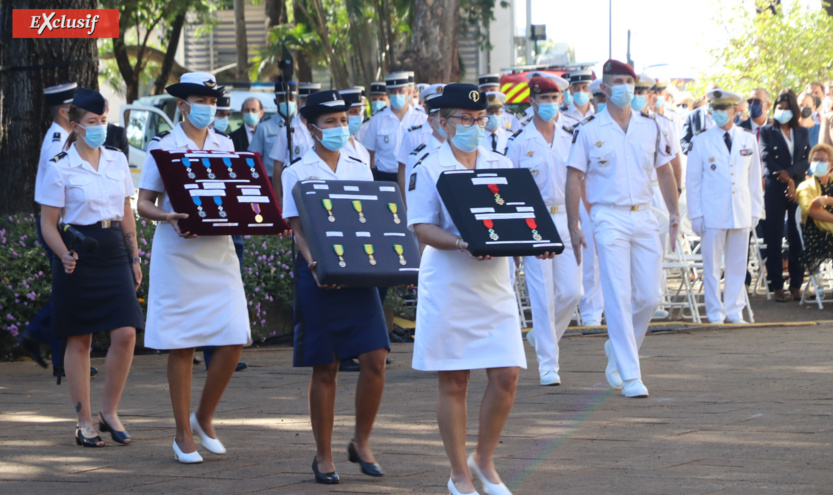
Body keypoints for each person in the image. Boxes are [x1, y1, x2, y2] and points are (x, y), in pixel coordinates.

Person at [408, 83, 554, 495]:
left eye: (480, 119)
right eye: (465, 119)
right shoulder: (428, 166)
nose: (475, 126)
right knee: (454, 380)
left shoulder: (501, 162)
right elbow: (421, 226)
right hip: (451, 280)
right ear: (441, 123)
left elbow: (522, 217)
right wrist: (460, 242)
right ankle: (459, 473)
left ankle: (484, 459)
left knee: (507, 374)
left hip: (493, 283)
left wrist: (535, 243)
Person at [137, 72, 252, 464]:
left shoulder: (226, 142)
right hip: (179, 252)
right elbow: (144, 202)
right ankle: (182, 434)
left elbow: (237, 193)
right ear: (182, 105)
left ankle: (203, 415)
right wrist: (167, 216)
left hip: (218, 251)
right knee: (182, 342)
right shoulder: (165, 146)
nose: (208, 106)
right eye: (200, 100)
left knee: (235, 336)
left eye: (212, 99)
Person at [281, 89, 390, 484]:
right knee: (325, 365)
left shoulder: (360, 163)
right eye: (330, 122)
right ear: (311, 129)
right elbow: (296, 228)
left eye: (343, 120)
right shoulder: (297, 171)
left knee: (375, 358)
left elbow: (373, 216)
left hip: (360, 271)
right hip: (318, 272)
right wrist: (314, 262)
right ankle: (323, 456)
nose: (340, 127)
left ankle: (361, 441)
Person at [566, 59, 680, 399]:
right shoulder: (588, 129)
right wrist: (573, 223)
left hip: (644, 214)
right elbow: (574, 177)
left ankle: (617, 350)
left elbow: (664, 171)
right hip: (607, 216)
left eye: (629, 81)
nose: (624, 88)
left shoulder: (650, 126)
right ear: (603, 87)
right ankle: (630, 375)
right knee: (616, 294)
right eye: (616, 81)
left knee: (649, 295)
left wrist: (674, 212)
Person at [36, 87, 144, 447]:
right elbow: (48, 223)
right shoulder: (59, 166)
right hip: (78, 252)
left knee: (126, 333)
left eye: (103, 121)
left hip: (113, 248)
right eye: (91, 122)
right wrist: (62, 253)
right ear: (74, 124)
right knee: (79, 338)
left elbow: (127, 212)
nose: (99, 127)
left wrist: (134, 256)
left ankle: (109, 411)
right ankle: (83, 420)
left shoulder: (115, 159)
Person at [505, 74, 583, 387]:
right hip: (534, 220)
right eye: (544, 99)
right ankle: (548, 365)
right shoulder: (520, 141)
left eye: (554, 99)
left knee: (572, 291)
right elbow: (509, 190)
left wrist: (579, 223)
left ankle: (542, 334)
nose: (549, 105)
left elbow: (581, 180)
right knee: (542, 294)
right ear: (532, 101)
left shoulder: (571, 133)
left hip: (566, 216)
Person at [687, 89, 763, 324]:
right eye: (715, 109)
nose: (718, 113)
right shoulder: (701, 139)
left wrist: (756, 210)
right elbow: (693, 181)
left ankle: (734, 310)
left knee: (737, 265)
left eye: (723, 109)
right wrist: (695, 214)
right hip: (712, 212)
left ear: (735, 110)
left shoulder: (747, 138)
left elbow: (754, 179)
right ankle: (714, 311)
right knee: (711, 266)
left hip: (740, 210)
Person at [760, 89, 810, 302]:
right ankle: (776, 285)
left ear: (794, 111)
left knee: (797, 235)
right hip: (775, 187)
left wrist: (791, 177)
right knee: (773, 235)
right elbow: (766, 158)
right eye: (779, 108)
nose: (782, 112)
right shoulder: (767, 131)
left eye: (786, 109)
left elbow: (806, 160)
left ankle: (796, 283)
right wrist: (786, 179)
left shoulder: (801, 132)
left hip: (797, 188)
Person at [362, 71, 427, 183]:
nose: (397, 95)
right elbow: (369, 153)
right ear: (387, 94)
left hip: (413, 175)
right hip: (385, 176)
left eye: (401, 91)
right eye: (393, 92)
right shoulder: (377, 119)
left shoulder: (421, 118)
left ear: (409, 92)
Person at [270, 82, 320, 204]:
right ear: (298, 101)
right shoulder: (287, 130)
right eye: (304, 99)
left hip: (318, 189)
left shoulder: (322, 130)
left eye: (311, 100)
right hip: (293, 190)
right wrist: (278, 198)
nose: (307, 103)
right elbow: (277, 165)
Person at [397, 84, 446, 194]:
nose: (444, 120)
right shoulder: (412, 136)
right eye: (439, 114)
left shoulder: (457, 139)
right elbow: (403, 171)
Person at [248, 79, 296, 181]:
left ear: (296, 100)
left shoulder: (303, 126)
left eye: (291, 98)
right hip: (271, 179)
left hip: (297, 179)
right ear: (276, 101)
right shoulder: (264, 127)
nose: (287, 102)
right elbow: (253, 158)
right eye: (282, 99)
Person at [797, 144, 833, 274]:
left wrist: (828, 200)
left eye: (822, 160)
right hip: (817, 235)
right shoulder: (805, 187)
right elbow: (811, 211)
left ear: (831, 165)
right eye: (815, 160)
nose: (817, 163)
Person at [681, 84, 720, 154]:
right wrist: (697, 152)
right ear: (704, 98)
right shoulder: (693, 116)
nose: (713, 102)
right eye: (710, 99)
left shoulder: (727, 115)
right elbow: (684, 142)